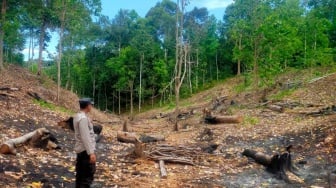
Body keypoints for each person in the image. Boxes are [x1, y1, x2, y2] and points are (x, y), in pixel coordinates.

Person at [73, 98, 96, 188]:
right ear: (87, 106)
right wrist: (91, 153)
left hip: (82, 150)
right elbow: (85, 137)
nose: (91, 106)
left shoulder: (79, 116)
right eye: (91, 105)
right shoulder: (83, 119)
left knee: (80, 176)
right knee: (87, 177)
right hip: (85, 151)